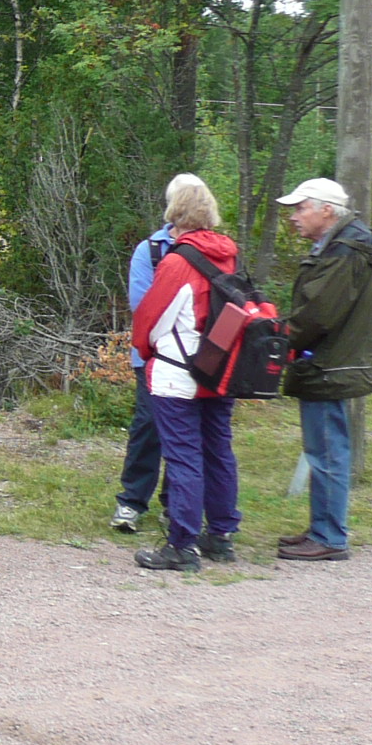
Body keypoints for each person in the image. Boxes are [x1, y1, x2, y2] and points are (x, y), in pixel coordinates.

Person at [129, 174, 242, 572]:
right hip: (222, 369)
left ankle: (182, 544)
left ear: (174, 213)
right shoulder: (229, 255)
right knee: (218, 451)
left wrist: (148, 353)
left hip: (179, 370)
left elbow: (150, 318)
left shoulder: (177, 261)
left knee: (183, 456)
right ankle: (222, 535)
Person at [275, 176, 372, 563]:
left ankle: (330, 535)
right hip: (330, 360)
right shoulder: (341, 247)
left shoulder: (343, 252)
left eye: (300, 208)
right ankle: (322, 527)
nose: (294, 217)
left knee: (328, 452)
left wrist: (279, 337)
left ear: (326, 210)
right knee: (324, 448)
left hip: (329, 363)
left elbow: (318, 314)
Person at [111, 186, 179, 534]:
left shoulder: (215, 250)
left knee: (184, 436)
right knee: (147, 428)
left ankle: (176, 506)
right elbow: (143, 306)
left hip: (197, 361)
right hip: (152, 356)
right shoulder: (150, 251)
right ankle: (131, 503)